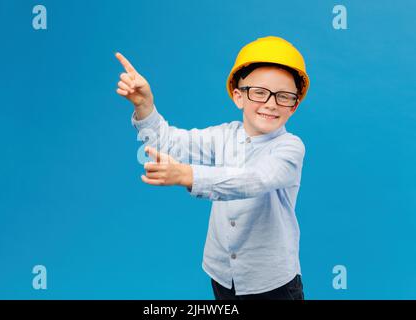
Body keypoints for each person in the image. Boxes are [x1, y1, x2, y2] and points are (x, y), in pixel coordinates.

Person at [115, 36, 310, 300]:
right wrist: (144, 106)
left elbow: (255, 180)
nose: (271, 103)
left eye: (284, 96)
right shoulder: (223, 136)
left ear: (295, 105)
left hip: (271, 282)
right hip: (222, 274)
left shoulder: (290, 148)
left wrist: (188, 175)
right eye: (259, 92)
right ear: (238, 97)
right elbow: (169, 142)